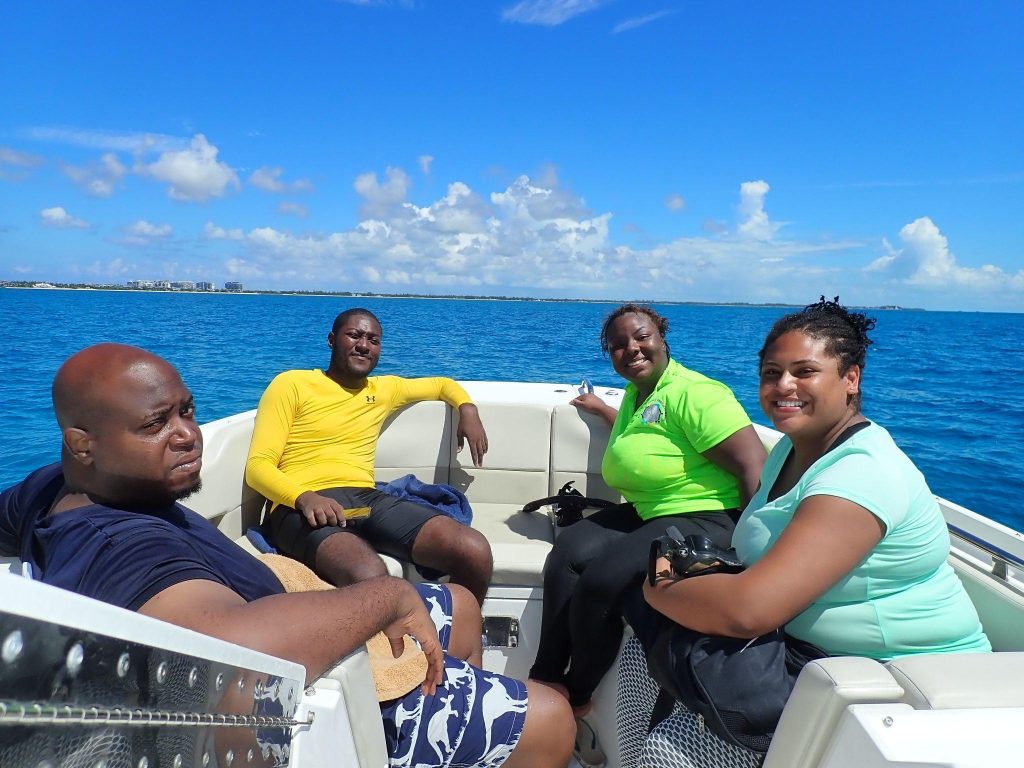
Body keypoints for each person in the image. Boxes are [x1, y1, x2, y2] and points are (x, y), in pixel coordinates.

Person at [0, 343, 574, 768]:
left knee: (458, 603)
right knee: (552, 719)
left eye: (187, 412)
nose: (187, 435)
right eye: (155, 424)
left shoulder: (51, 488)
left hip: (282, 601)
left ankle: (451, 734)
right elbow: (227, 650)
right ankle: (436, 734)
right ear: (83, 443)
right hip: (298, 690)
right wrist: (388, 596)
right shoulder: (121, 545)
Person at [638, 298, 990, 758]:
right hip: (814, 661)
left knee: (670, 731)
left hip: (901, 687)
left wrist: (657, 588)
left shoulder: (862, 472)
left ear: (851, 379)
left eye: (804, 372)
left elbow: (750, 611)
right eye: (771, 372)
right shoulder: (791, 449)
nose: (784, 385)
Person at [529, 304, 768, 739]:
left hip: (708, 515)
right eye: (618, 345)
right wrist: (603, 409)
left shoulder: (695, 393)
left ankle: (575, 696)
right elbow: (641, 431)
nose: (631, 349)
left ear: (662, 336)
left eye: (641, 337)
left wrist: (755, 555)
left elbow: (754, 465)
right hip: (651, 511)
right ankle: (543, 676)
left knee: (602, 579)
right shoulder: (639, 393)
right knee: (569, 549)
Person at [245, 308, 493, 603]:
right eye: (355, 335)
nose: (364, 345)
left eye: (373, 340)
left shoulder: (384, 389)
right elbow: (258, 466)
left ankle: (457, 641)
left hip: (365, 498)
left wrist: (467, 408)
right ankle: (389, 650)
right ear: (332, 340)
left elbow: (442, 384)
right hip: (301, 506)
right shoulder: (292, 384)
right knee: (370, 575)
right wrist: (305, 497)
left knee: (473, 550)